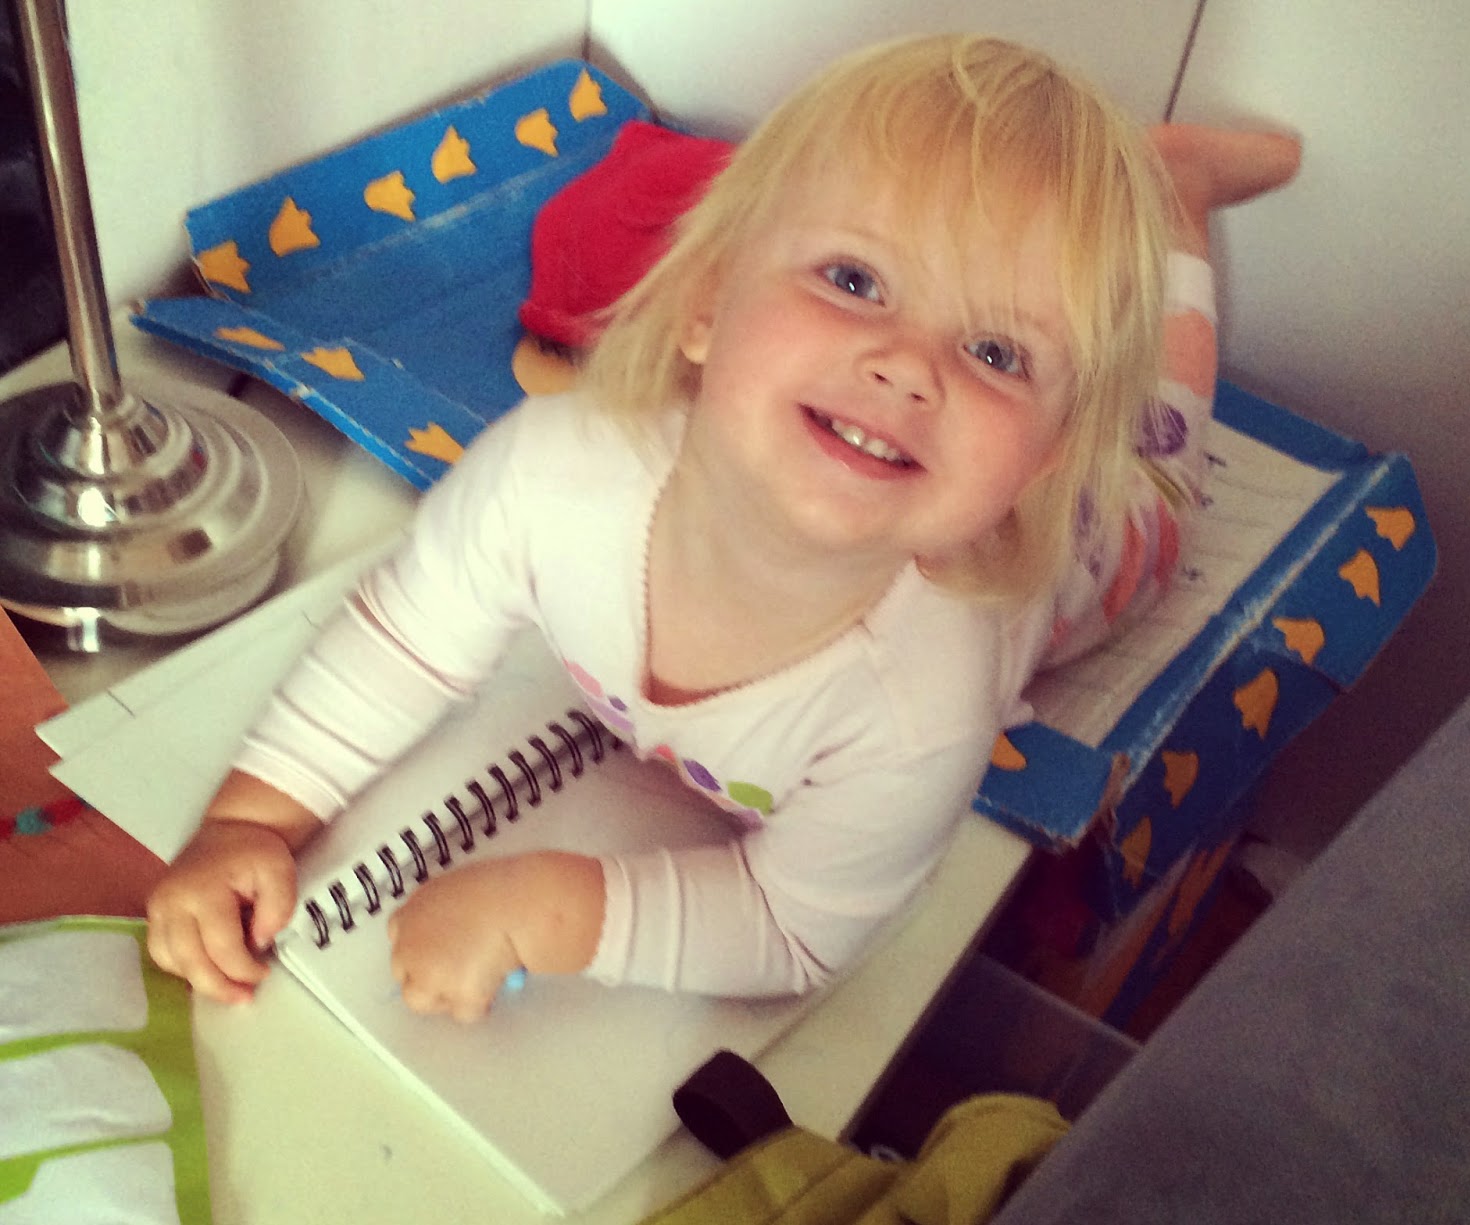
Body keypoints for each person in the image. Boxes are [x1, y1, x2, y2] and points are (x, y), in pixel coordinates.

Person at [145, 34, 1299, 1022]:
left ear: (1039, 455)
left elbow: (792, 929)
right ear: (704, 303)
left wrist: (558, 908)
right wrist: (252, 815)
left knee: (1159, 438)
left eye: (996, 351)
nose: (907, 365)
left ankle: (1176, 198)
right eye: (855, 279)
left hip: (1085, 547)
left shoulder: (921, 699)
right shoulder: (552, 474)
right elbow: (403, 640)